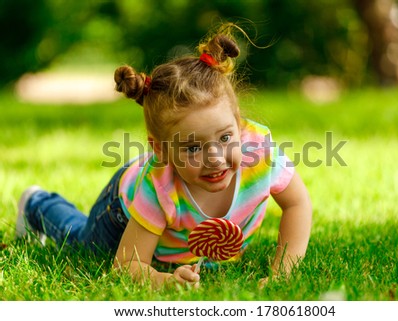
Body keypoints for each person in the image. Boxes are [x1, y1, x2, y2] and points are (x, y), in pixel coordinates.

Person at [16, 24, 312, 289]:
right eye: (193, 148)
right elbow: (126, 267)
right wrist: (166, 280)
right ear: (161, 150)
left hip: (183, 232)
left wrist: (283, 271)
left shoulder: (260, 154)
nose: (215, 158)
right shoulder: (159, 190)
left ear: (239, 123)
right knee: (82, 242)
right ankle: (37, 204)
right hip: (122, 210)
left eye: (225, 137)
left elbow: (297, 203)